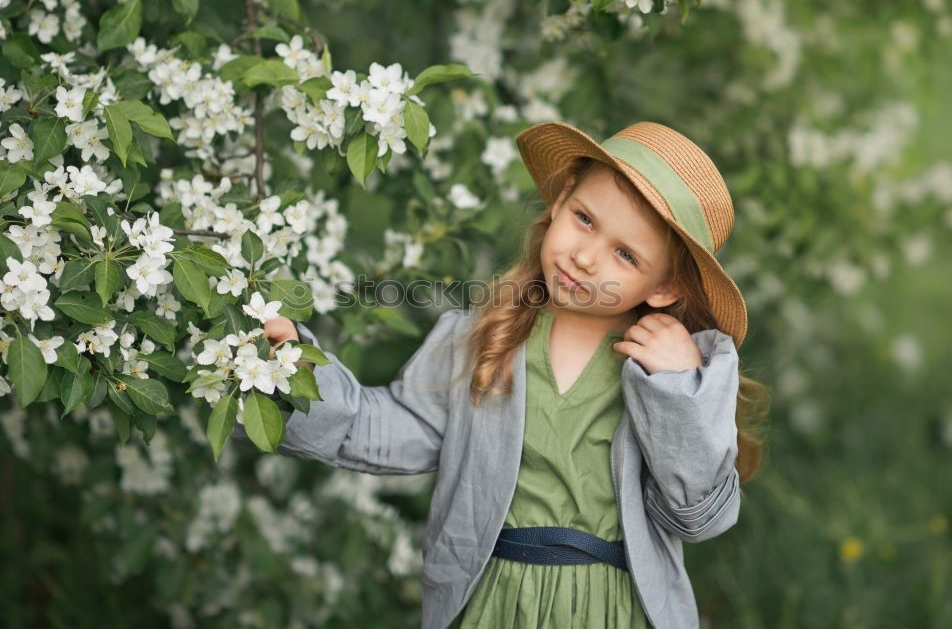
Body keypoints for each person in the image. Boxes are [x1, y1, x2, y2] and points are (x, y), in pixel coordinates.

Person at [250, 120, 771, 629]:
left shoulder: (679, 375)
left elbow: (698, 516)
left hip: (612, 607)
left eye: (626, 254)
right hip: (491, 598)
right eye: (585, 219)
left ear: (664, 288)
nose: (586, 258)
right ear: (560, 199)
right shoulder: (485, 337)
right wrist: (295, 374)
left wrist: (678, 391)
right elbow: (379, 427)